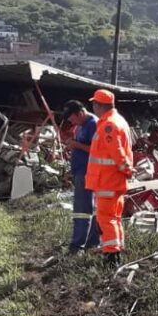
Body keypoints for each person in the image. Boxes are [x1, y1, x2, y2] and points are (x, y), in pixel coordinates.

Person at [83, 88, 134, 260]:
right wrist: (127, 171)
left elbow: (117, 153)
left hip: (107, 181)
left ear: (98, 105)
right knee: (114, 218)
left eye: (94, 104)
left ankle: (111, 255)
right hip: (113, 180)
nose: (93, 108)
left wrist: (126, 169)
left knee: (106, 219)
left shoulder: (109, 125)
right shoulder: (118, 121)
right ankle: (117, 250)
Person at [61, 100, 101, 253]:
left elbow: (96, 150)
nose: (71, 121)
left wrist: (76, 145)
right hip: (81, 171)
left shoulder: (94, 125)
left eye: (72, 118)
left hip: (88, 172)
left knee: (82, 210)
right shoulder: (81, 126)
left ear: (80, 113)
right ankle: (89, 242)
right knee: (85, 208)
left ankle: (79, 245)